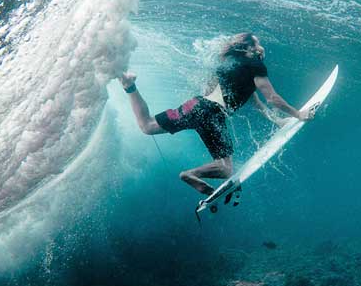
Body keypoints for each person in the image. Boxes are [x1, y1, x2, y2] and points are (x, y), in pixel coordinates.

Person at [118, 32, 314, 197]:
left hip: (196, 105)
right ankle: (190, 174)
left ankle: (128, 84)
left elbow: (254, 100)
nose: (261, 46)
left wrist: (276, 121)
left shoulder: (229, 64)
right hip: (212, 113)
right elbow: (272, 98)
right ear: (248, 48)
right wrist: (299, 114)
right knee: (226, 168)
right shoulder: (255, 65)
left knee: (147, 126)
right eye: (257, 43)